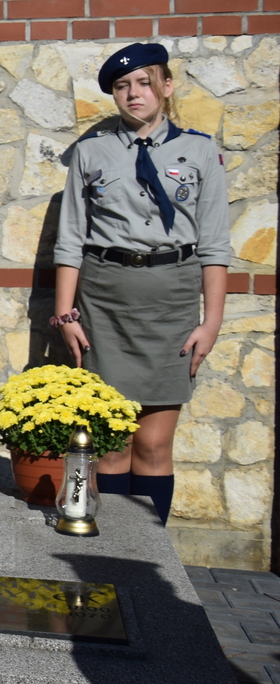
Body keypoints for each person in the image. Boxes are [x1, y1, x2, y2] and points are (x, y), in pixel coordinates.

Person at [52, 42, 229, 525]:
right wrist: (65, 315)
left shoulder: (200, 150)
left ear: (166, 87)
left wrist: (212, 322)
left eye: (144, 83)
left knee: (153, 445)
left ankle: (149, 555)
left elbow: (215, 245)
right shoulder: (91, 152)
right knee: (112, 446)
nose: (133, 94)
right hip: (105, 302)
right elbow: (70, 240)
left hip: (172, 303)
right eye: (121, 86)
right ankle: (108, 547)